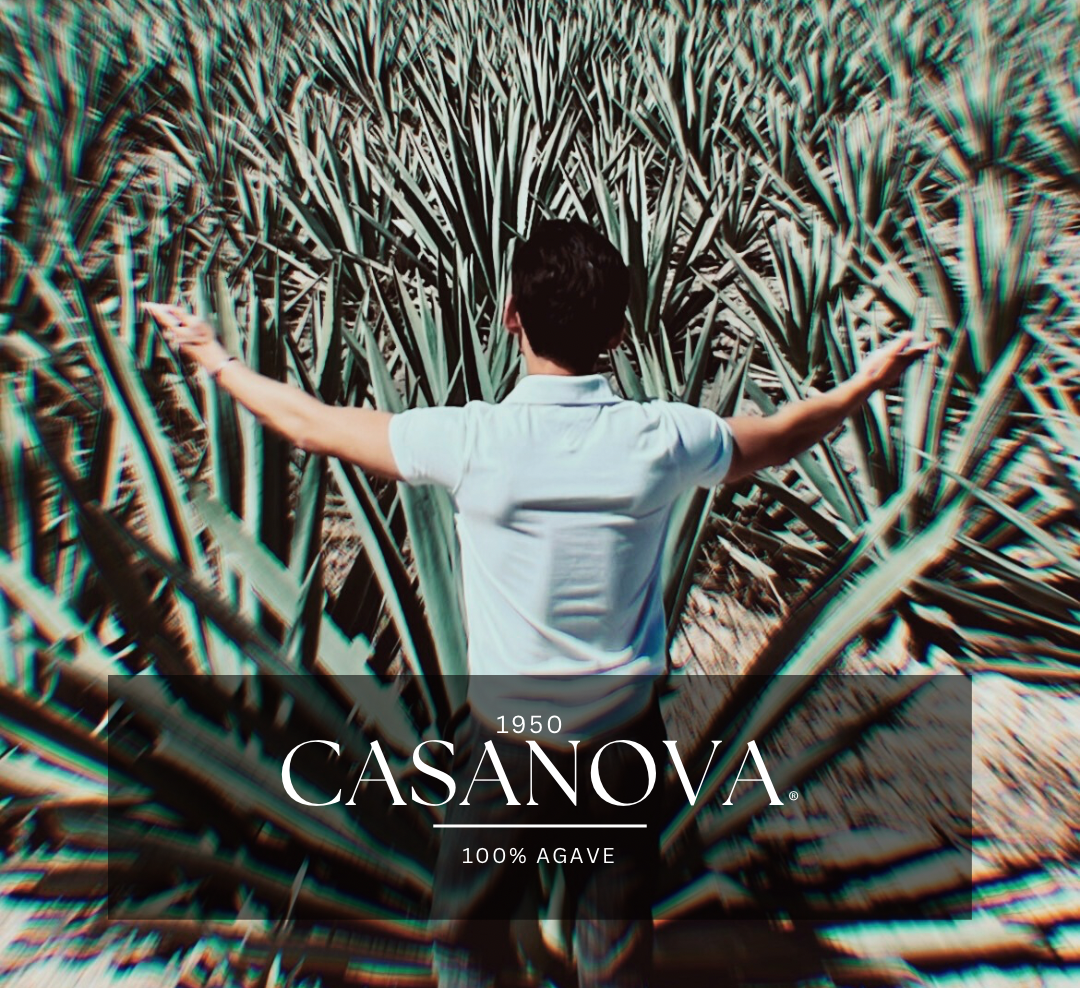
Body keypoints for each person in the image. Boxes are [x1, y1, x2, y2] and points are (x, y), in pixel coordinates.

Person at [149, 217, 932, 988]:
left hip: (509, 745)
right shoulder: (663, 438)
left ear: (510, 316)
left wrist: (215, 358)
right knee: (613, 951)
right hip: (623, 740)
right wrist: (863, 384)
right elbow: (784, 434)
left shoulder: (473, 441)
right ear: (618, 330)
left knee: (465, 943)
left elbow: (312, 425)